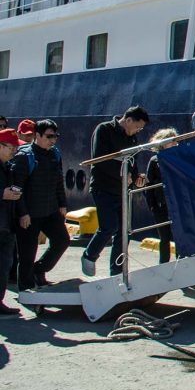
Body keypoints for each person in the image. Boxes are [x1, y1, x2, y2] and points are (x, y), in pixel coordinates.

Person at [81, 107, 148, 277]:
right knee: (109, 226)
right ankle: (89, 255)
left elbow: (132, 162)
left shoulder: (132, 139)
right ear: (129, 120)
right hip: (103, 187)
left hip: (123, 190)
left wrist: (136, 176)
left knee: (124, 231)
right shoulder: (104, 130)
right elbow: (99, 160)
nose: (138, 131)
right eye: (137, 127)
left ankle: (117, 271)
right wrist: (123, 176)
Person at [10, 119, 69, 290]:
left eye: (55, 137)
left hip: (50, 210)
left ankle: (40, 269)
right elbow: (17, 189)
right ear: (37, 135)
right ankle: (26, 289)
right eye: (49, 136)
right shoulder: (24, 157)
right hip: (30, 214)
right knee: (27, 254)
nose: (52, 140)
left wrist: (62, 204)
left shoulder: (54, 154)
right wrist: (22, 213)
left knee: (62, 241)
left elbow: (59, 181)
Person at [0, 128, 25, 313]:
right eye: (10, 147)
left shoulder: (9, 166)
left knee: (4, 265)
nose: (13, 151)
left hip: (7, 224)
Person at [145, 128, 178, 264]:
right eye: (172, 141)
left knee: (179, 236)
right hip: (161, 204)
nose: (175, 144)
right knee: (164, 237)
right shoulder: (155, 161)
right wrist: (152, 205)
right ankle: (163, 264)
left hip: (176, 204)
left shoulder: (178, 158)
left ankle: (181, 263)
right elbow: (149, 185)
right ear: (163, 143)